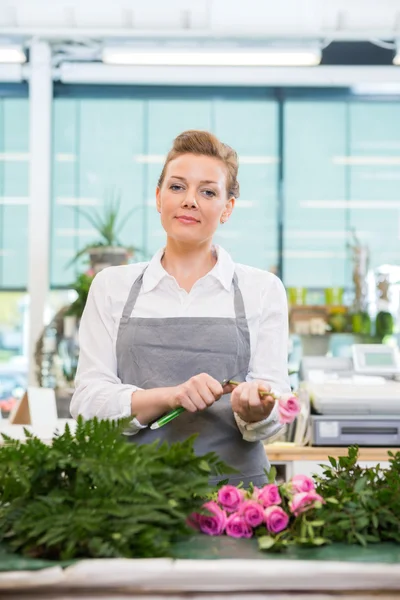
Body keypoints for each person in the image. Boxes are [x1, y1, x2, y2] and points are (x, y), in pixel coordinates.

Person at [70, 130, 292, 487]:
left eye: (207, 191)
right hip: (132, 496)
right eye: (177, 187)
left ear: (227, 208)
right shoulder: (112, 286)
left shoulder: (262, 290)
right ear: (158, 198)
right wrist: (170, 396)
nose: (190, 200)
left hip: (238, 499)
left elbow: (277, 405)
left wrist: (257, 409)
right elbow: (86, 403)